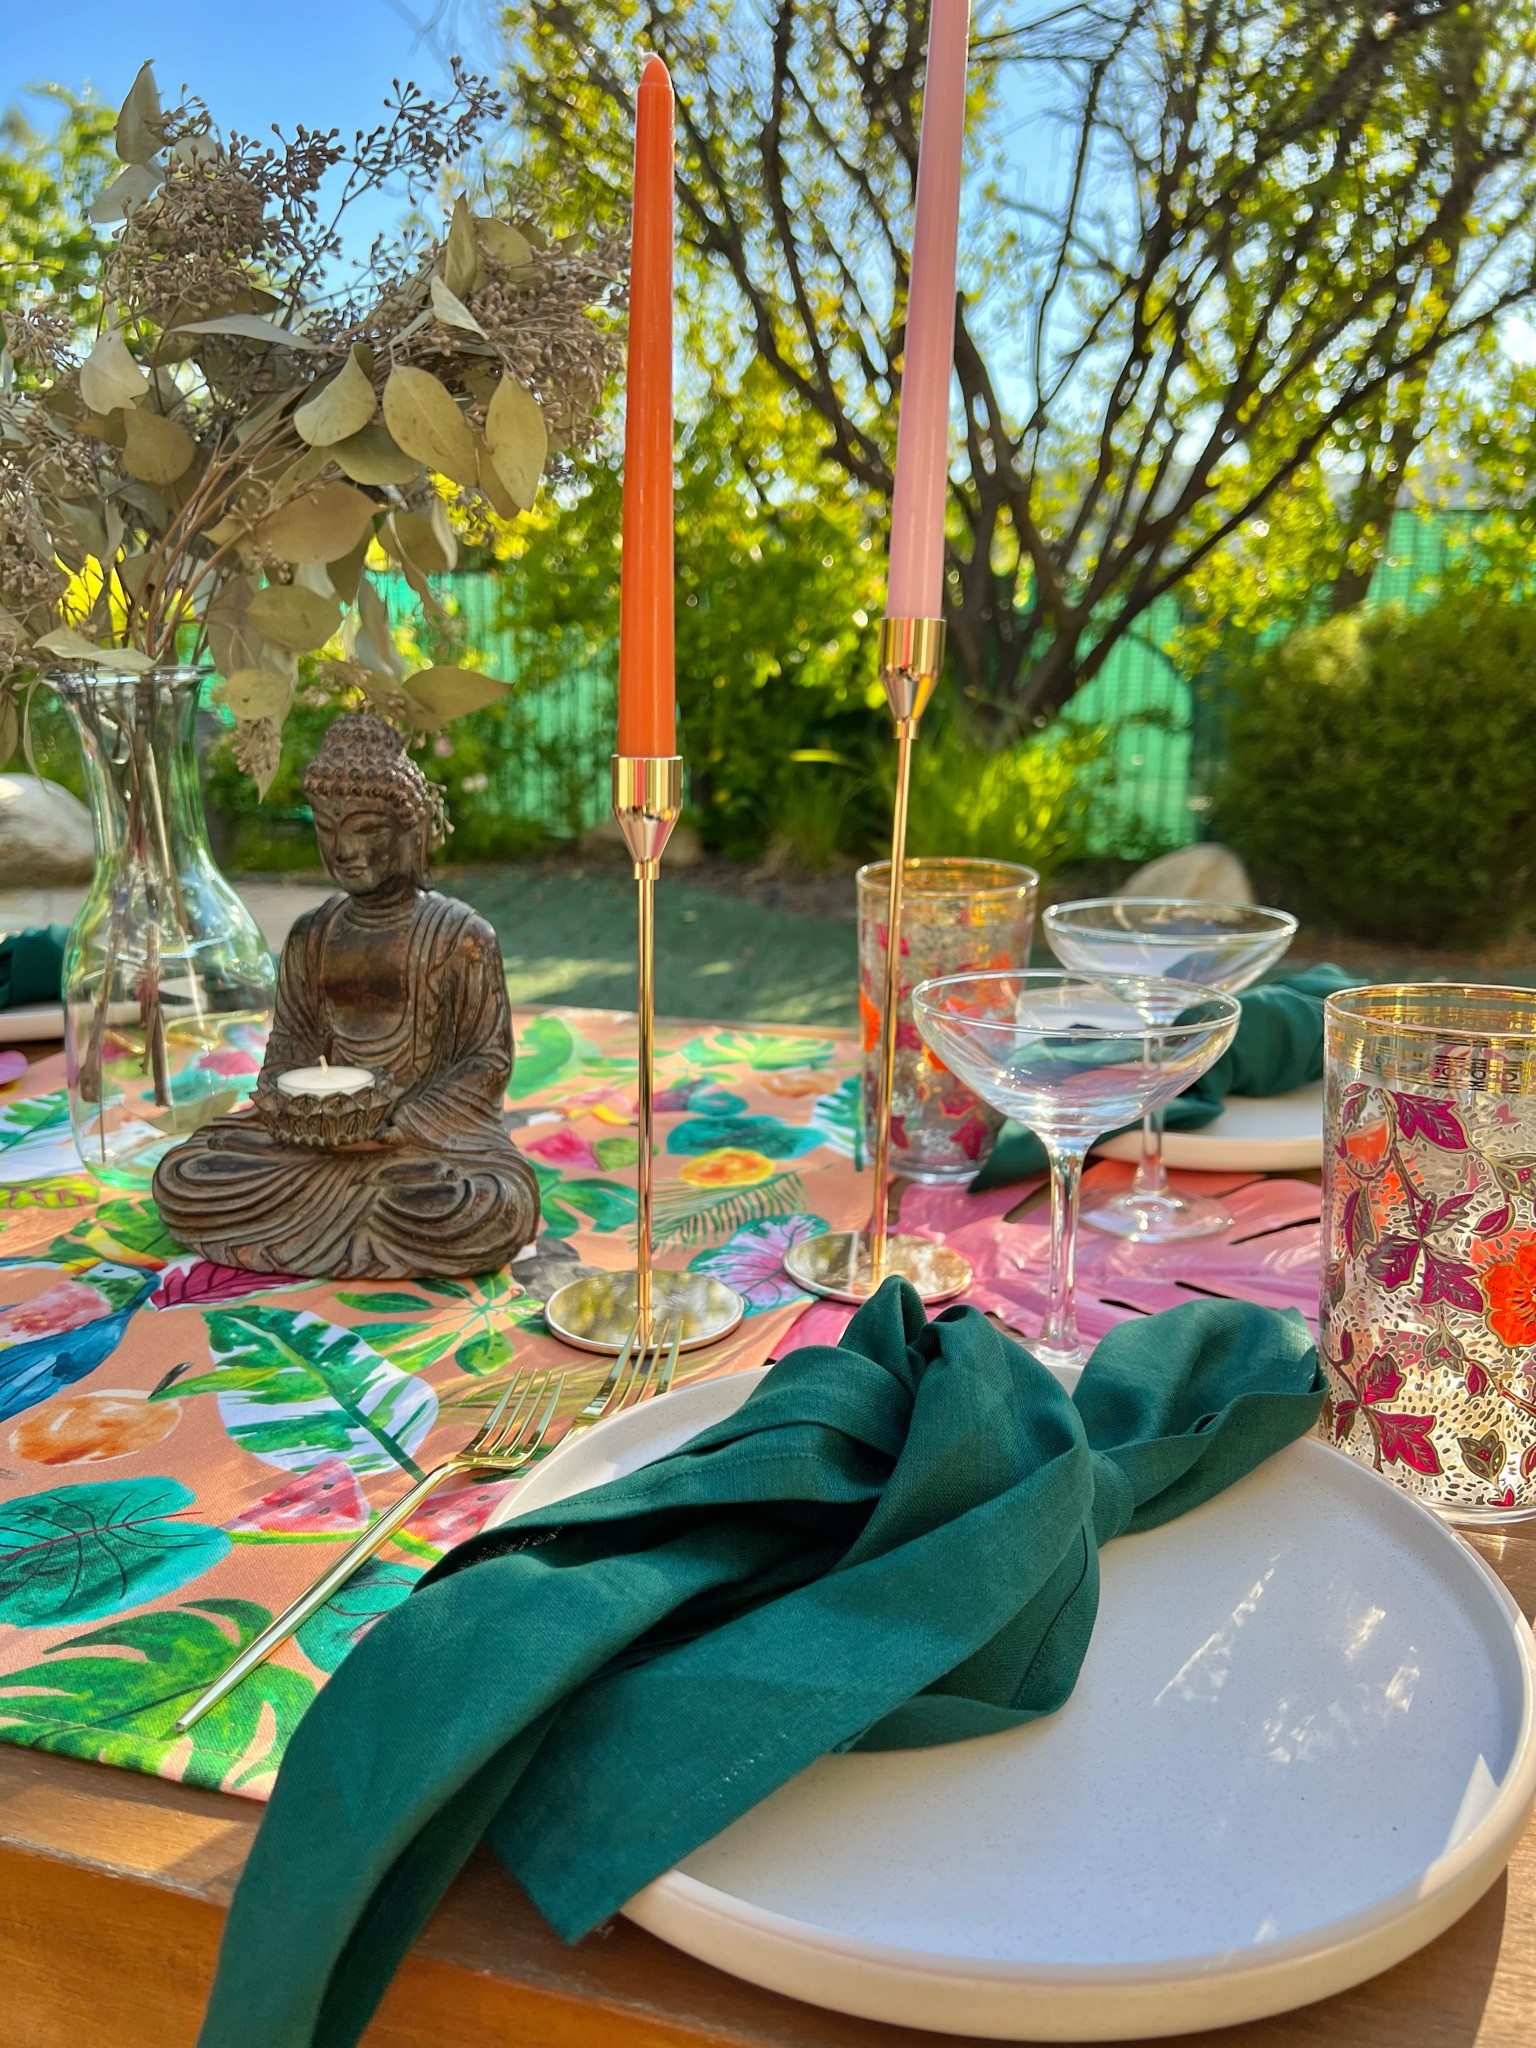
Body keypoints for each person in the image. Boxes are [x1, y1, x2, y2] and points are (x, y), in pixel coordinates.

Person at [153, 715, 539, 1278]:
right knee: (184, 1175)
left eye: (366, 828)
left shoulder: (461, 937)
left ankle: (332, 1225)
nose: (344, 849)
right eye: (328, 828)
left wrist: (402, 1122)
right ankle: (351, 1228)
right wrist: (300, 1112)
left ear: (409, 833)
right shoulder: (313, 934)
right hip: (313, 1143)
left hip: (422, 1148)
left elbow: (489, 1062)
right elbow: (289, 1049)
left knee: (486, 1205)